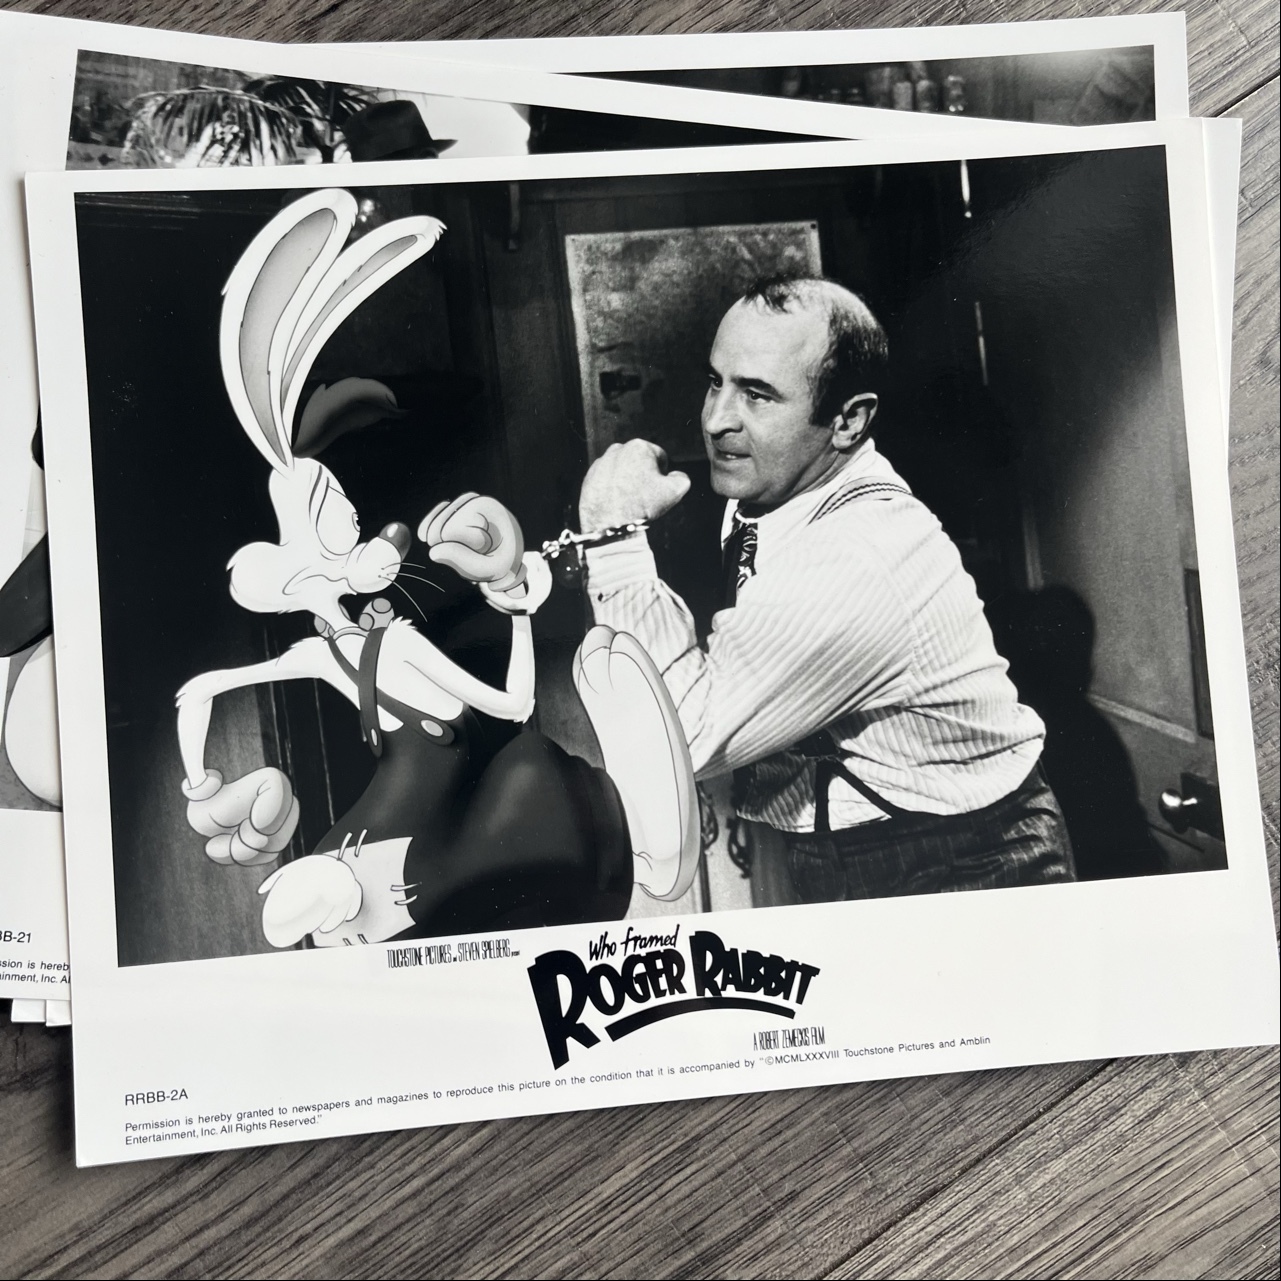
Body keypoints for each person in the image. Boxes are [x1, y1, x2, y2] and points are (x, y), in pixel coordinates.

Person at [576, 275, 1075, 903]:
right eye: (715, 381)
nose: (715, 420)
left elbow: (679, 739)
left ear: (848, 420)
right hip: (851, 842)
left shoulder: (858, 554)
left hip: (962, 862)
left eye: (757, 394)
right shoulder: (773, 492)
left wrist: (613, 538)